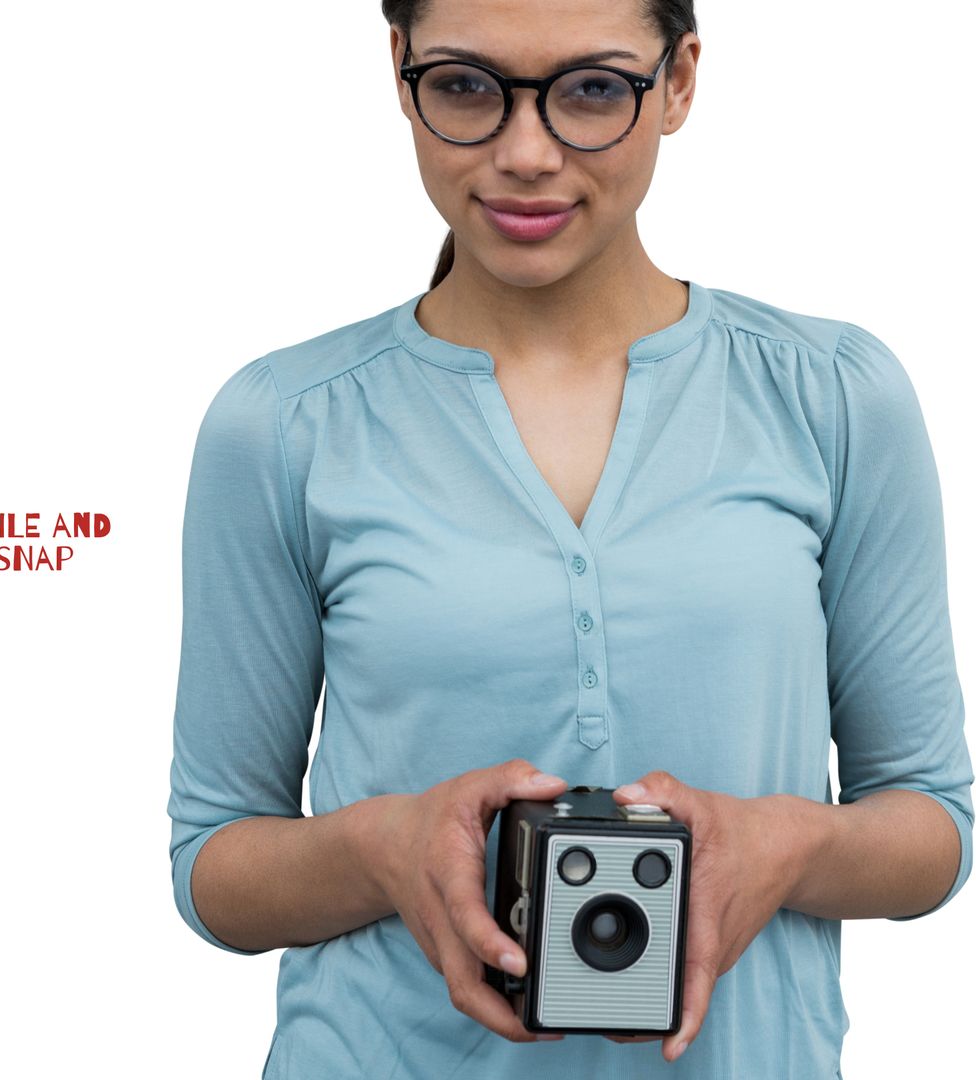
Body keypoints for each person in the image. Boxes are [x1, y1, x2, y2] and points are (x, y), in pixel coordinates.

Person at [167, 1, 974, 1076]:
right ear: (399, 69)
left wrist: (791, 843)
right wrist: (382, 846)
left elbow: (934, 824)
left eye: (593, 90)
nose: (525, 152)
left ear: (679, 80)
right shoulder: (281, 423)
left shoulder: (832, 398)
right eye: (465, 87)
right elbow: (212, 861)